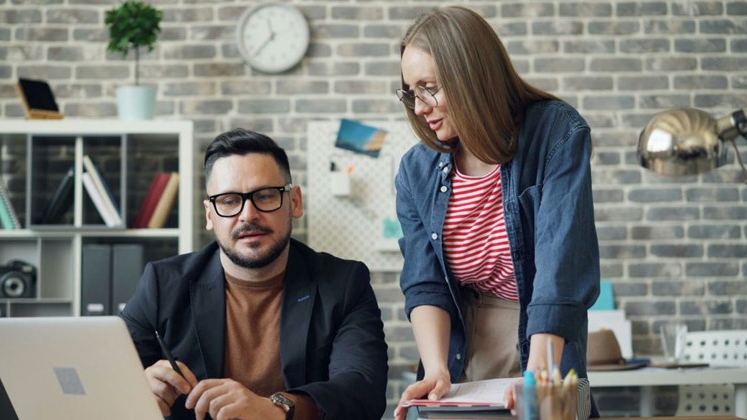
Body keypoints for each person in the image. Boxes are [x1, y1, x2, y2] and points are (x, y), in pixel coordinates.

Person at [392, 6, 600, 419]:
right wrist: (435, 369)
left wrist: (540, 378)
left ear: (471, 77)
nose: (418, 107)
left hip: (544, 339)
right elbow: (425, 281)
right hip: (459, 348)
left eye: (429, 88)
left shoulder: (556, 133)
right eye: (410, 91)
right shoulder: (415, 170)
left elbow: (562, 265)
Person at [121, 128, 388, 420]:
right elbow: (106, 377)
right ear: (210, 214)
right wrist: (134, 392)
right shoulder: (162, 284)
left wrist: (274, 409)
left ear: (294, 202)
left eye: (264, 195)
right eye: (229, 201)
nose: (248, 214)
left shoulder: (344, 283)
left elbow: (363, 392)